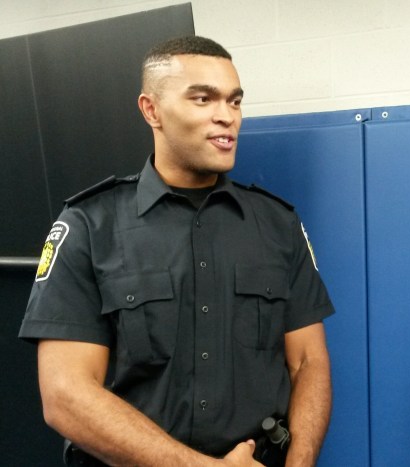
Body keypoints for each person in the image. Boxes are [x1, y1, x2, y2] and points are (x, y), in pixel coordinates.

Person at [19, 36, 334, 466]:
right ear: (152, 110)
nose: (227, 117)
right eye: (203, 99)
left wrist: (299, 463)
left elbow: (308, 364)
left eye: (235, 101)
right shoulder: (89, 226)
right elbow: (65, 395)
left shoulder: (278, 225)